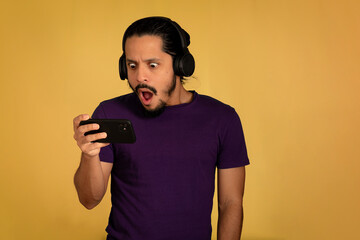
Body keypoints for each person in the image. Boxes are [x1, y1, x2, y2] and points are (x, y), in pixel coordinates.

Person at [73, 16, 250, 240]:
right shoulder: (110, 113)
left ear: (180, 65)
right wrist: (89, 155)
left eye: (152, 65)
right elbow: (89, 200)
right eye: (132, 65)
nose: (139, 77)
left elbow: (231, 203)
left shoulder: (222, 119)